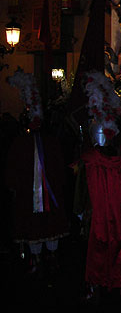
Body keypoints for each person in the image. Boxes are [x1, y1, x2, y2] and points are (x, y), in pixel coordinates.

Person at [73, 72, 121, 303]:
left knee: (98, 250)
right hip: (116, 217)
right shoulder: (119, 162)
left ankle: (101, 285)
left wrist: (81, 212)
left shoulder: (90, 161)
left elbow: (81, 193)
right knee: (118, 248)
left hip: (100, 218)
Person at [5, 70, 68, 279]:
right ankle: (39, 259)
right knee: (34, 225)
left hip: (48, 196)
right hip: (30, 195)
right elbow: (14, 168)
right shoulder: (23, 143)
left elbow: (59, 167)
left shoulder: (48, 143)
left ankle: (50, 258)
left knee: (47, 224)